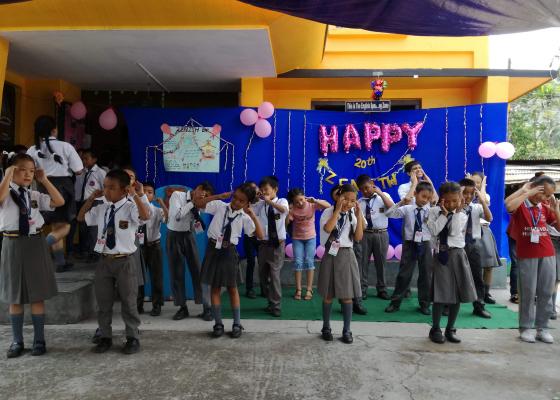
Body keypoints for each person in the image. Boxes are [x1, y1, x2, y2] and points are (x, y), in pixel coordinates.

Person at [78, 169, 150, 354]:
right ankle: (105, 336)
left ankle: (132, 337)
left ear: (124, 190)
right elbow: (81, 217)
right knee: (103, 302)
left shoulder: (130, 207)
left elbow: (145, 216)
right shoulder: (102, 207)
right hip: (104, 260)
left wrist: (135, 195)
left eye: (111, 187)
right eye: (105, 187)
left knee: (129, 301)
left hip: (124, 261)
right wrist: (91, 199)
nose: (106, 191)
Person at [0, 154, 64, 358]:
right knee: (15, 296)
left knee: (37, 295)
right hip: (12, 243)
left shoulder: (33, 195)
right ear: (11, 170)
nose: (28, 174)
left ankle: (39, 340)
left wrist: (44, 180)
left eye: (31, 170)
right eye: (22, 170)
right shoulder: (5, 192)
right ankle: (17, 341)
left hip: (35, 243)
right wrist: (7, 175)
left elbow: (59, 201)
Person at [197, 183, 264, 338]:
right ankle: (218, 324)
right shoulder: (220, 206)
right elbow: (199, 204)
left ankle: (236, 323)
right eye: (235, 198)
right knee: (215, 288)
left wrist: (252, 215)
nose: (236, 202)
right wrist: (218, 196)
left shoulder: (245, 217)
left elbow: (260, 236)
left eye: (241, 201)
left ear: (247, 203)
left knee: (232, 288)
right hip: (213, 249)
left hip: (229, 252)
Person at [505, 175, 560, 344]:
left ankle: (542, 328)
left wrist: (556, 210)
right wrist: (526, 192)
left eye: (548, 195)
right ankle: (526, 328)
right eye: (543, 193)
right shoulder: (522, 204)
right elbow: (508, 205)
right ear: (535, 188)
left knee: (546, 292)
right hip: (527, 254)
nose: (544, 198)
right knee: (528, 292)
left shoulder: (545, 207)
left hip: (547, 253)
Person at [27, 115, 84, 272]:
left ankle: (60, 262)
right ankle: (41, 246)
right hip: (63, 187)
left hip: (43, 186)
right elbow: (79, 170)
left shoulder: (32, 149)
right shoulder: (66, 146)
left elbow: (29, 171)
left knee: (56, 225)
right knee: (66, 226)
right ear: (54, 130)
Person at [427, 181, 477, 344]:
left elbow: (454, 231)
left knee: (457, 295)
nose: (450, 204)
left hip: (458, 255)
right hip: (441, 255)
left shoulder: (461, 214)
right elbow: (435, 230)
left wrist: (455, 213)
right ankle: (435, 329)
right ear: (441, 199)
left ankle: (450, 329)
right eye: (447, 201)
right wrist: (444, 214)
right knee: (440, 294)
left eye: (455, 201)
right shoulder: (433, 212)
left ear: (460, 199)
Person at [318, 184, 364, 344]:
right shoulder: (328, 212)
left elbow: (358, 238)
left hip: (346, 255)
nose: (349, 203)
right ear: (338, 196)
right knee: (328, 295)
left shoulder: (352, 214)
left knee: (347, 296)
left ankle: (347, 330)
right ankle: (326, 327)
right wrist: (337, 211)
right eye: (346, 199)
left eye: (353, 200)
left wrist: (358, 215)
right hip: (331, 254)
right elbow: (327, 228)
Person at [384, 181, 434, 315]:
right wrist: (402, 202)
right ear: (415, 194)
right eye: (423, 196)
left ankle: (425, 304)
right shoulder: (407, 209)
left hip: (425, 243)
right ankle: (395, 303)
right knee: (404, 274)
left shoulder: (431, 210)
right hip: (410, 243)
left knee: (426, 275)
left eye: (428, 198)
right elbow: (389, 213)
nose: (425, 200)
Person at [167, 182, 214, 320]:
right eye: (203, 194)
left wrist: (197, 217)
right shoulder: (177, 195)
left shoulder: (199, 205)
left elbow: (195, 226)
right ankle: (182, 308)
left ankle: (206, 307)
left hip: (188, 236)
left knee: (198, 271)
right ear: (197, 189)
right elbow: (177, 216)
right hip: (174, 236)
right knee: (176, 273)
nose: (203, 198)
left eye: (206, 197)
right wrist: (193, 203)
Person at [254, 176, 289, 317]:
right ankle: (270, 301)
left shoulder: (281, 201)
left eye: (266, 189)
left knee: (274, 275)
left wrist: (269, 201)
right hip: (263, 244)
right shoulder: (260, 204)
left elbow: (283, 210)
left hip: (277, 244)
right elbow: (250, 211)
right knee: (263, 275)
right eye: (261, 190)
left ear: (275, 189)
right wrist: (255, 199)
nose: (264, 192)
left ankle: (276, 305)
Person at [287, 188, 330, 301]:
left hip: (311, 238)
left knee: (310, 261)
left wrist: (315, 200)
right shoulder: (292, 208)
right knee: (298, 262)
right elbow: (287, 222)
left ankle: (309, 289)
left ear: (304, 196)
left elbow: (328, 206)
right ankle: (298, 289)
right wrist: (288, 212)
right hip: (297, 238)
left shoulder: (311, 204)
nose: (300, 203)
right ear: (293, 202)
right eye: (296, 202)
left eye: (301, 199)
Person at [356, 174, 394, 300]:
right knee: (363, 263)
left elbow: (392, 208)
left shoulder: (384, 196)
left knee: (381, 263)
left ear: (372, 184)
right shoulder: (359, 202)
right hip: (365, 235)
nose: (365, 191)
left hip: (381, 233)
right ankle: (362, 289)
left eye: (367, 187)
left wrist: (380, 193)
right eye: (362, 189)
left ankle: (382, 289)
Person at [459, 178, 493, 319]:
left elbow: (489, 218)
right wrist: (459, 199)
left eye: (471, 193)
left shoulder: (477, 207)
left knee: (477, 277)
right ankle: (448, 305)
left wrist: (482, 201)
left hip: (473, 245)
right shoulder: (456, 206)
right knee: (455, 276)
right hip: (457, 245)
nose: (468, 196)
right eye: (465, 193)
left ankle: (479, 305)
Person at [469, 171, 502, 305]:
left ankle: (486, 293)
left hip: (484, 231)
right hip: (470, 232)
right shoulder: (465, 196)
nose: (475, 184)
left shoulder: (485, 195)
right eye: (472, 181)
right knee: (472, 266)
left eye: (478, 182)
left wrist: (482, 187)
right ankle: (471, 293)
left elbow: (484, 201)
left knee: (488, 266)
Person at [140, 182, 168, 317]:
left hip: (154, 246)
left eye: (149, 192)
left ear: (154, 196)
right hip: (139, 247)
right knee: (138, 277)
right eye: (143, 191)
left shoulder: (157, 210)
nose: (146, 194)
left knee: (156, 277)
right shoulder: (133, 208)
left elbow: (168, 220)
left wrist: (162, 203)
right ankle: (138, 305)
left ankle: (157, 305)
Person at [73, 149, 106, 261]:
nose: (84, 161)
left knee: (93, 229)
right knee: (83, 228)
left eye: (86, 158)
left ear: (94, 159)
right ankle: (85, 251)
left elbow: (105, 188)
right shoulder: (83, 172)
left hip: (95, 202)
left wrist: (98, 197)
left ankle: (94, 253)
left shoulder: (100, 172)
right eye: (83, 159)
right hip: (84, 202)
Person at [243, 181, 260, 299]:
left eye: (256, 189)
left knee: (264, 263)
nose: (256, 191)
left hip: (261, 237)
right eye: (253, 190)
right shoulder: (244, 204)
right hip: (249, 237)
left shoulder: (263, 203)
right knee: (251, 262)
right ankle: (249, 289)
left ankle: (265, 288)